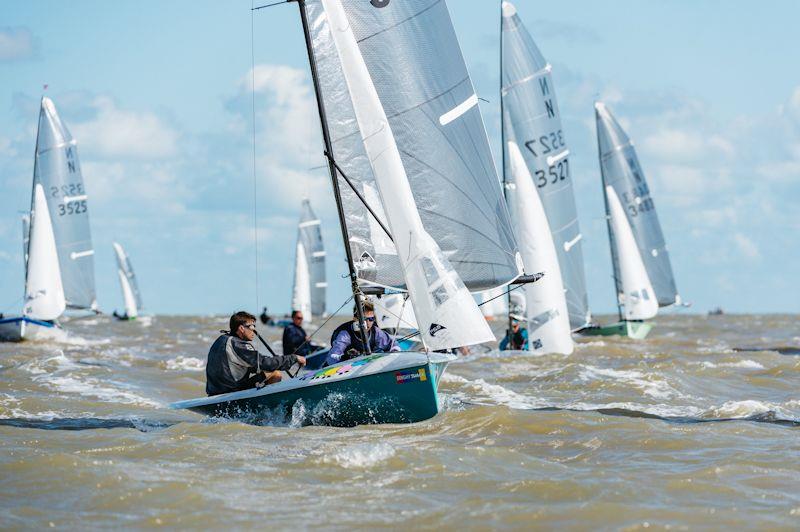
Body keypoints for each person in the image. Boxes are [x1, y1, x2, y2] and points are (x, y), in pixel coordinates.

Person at [206, 311, 306, 396]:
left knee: (269, 371)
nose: (254, 330)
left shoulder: (223, 339)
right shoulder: (238, 344)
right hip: (230, 393)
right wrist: (293, 358)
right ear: (241, 328)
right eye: (252, 326)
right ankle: (269, 409)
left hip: (214, 393)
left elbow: (253, 365)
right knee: (275, 374)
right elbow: (265, 363)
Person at [324, 300, 399, 366]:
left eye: (371, 319)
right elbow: (332, 358)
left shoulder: (375, 331)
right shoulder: (345, 334)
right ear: (355, 319)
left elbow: (393, 345)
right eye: (365, 319)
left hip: (363, 367)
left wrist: (394, 353)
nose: (368, 322)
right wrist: (345, 357)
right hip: (339, 370)